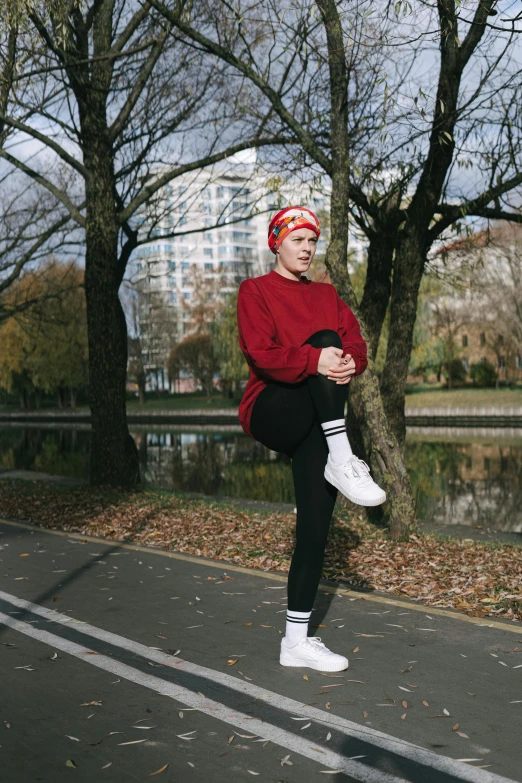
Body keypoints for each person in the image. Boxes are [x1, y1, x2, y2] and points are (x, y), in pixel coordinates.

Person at [236, 206, 386, 673]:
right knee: (324, 339)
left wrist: (349, 365)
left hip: (321, 420)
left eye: (312, 242)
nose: (306, 249)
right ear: (276, 243)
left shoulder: (326, 293)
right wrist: (319, 361)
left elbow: (355, 342)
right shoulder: (255, 290)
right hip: (272, 406)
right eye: (297, 240)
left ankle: (295, 642)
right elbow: (262, 355)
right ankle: (345, 458)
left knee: (314, 532)